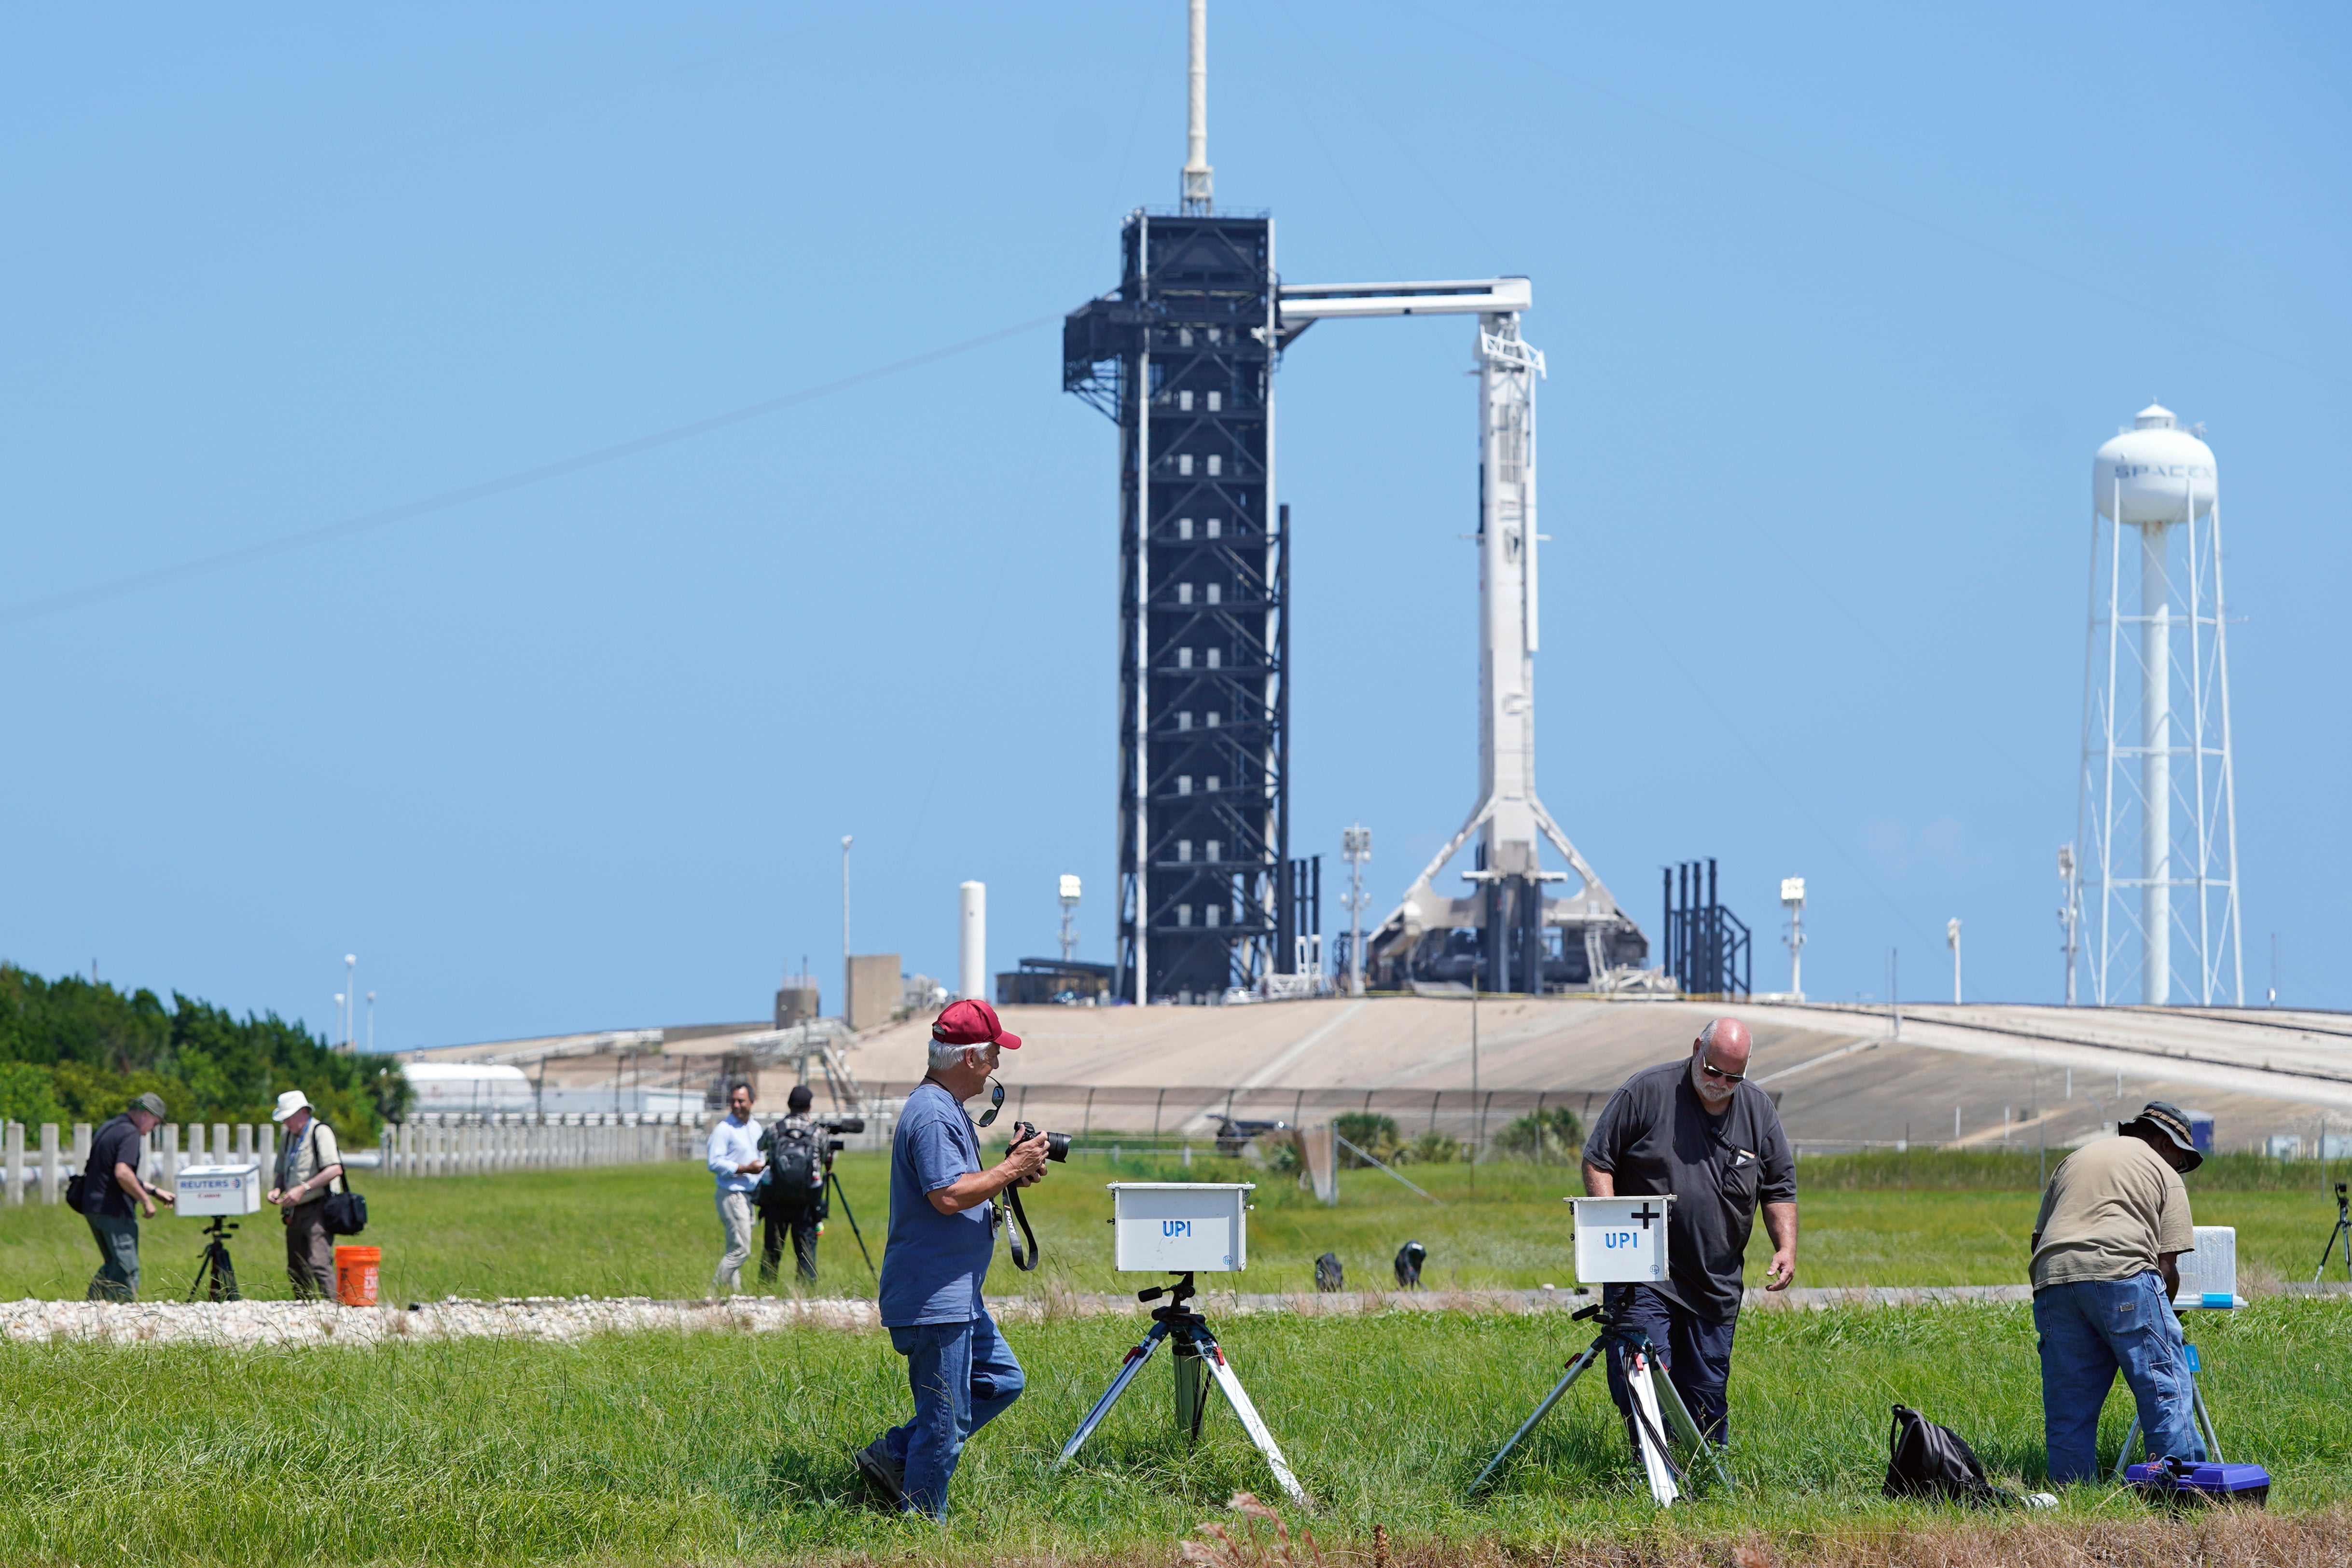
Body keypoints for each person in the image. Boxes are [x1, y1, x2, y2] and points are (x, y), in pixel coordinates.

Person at [853, 999, 1050, 1518]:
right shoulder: (934, 1114)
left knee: (1002, 1380)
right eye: (993, 1054)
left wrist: (1010, 1170)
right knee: (945, 1420)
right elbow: (947, 1195)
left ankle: (894, 1454)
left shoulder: (944, 1108)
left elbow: (961, 1186)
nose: (997, 1065)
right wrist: (1011, 1169)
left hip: (956, 1293)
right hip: (935, 1296)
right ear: (969, 1057)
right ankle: (923, 1526)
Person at [1581, 1017, 1797, 1451]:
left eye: (1733, 1077)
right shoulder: (1646, 1091)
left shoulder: (1757, 1110)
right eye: (1713, 1071)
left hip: (1714, 1283)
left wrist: (1786, 1247)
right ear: (1698, 1047)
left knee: (1705, 1398)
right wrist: (1613, 1232)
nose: (1721, 1083)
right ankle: (1651, 1471)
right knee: (1645, 1377)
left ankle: (1703, 1473)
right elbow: (1598, 1161)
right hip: (1645, 1274)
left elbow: (1779, 1187)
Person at [2029, 1100, 2206, 1485]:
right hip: (2123, 1272)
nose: (2179, 1168)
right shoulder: (2162, 1171)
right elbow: (2166, 1266)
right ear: (2165, 1143)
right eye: (2181, 1159)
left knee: (2069, 1406)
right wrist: (2162, 1318)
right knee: (2164, 1389)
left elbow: (2038, 1241)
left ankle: (2072, 1495)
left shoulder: (2074, 1160)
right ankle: (2182, 1493)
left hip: (2053, 1279)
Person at [82, 1091, 174, 1300]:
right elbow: (123, 1173)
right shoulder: (130, 1133)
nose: (151, 1130)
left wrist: (154, 1191)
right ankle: (125, 1312)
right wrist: (146, 1201)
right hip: (114, 1208)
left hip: (93, 1206)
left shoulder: (109, 1127)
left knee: (113, 1265)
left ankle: (90, 1309)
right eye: (154, 1124)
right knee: (127, 1270)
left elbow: (112, 1171)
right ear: (146, 1115)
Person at [268, 1089, 347, 1298]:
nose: (286, 1122)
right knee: (296, 1266)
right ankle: (303, 1306)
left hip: (318, 1205)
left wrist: (304, 1188)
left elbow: (335, 1169)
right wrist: (277, 1189)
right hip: (294, 1210)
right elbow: (281, 1171)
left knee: (318, 1263)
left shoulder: (320, 1131)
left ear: (303, 1112)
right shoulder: (287, 1137)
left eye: (289, 1117)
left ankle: (334, 1308)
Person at [758, 1084, 826, 1287]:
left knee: (772, 1251)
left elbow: (760, 1146)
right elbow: (823, 1158)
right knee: (806, 1254)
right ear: (810, 1107)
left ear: (788, 1104)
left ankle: (765, 1292)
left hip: (776, 1200)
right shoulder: (818, 1133)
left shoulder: (774, 1129)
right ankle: (806, 1295)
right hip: (806, 1202)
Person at [707, 1079, 764, 1295]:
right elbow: (714, 1163)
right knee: (741, 1250)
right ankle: (713, 1293)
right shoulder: (724, 1130)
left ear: (752, 1101)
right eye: (733, 1101)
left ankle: (734, 1296)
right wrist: (744, 1169)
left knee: (734, 1247)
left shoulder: (756, 1128)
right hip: (732, 1194)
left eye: (741, 1101)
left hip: (749, 1195)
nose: (737, 1105)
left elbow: (760, 1159)